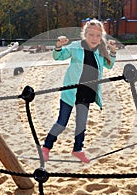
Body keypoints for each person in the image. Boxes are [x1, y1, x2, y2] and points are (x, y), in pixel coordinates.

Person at [41, 19, 116, 163]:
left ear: (101, 37)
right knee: (61, 123)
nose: (94, 39)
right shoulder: (76, 47)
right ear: (85, 34)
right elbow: (58, 56)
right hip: (70, 93)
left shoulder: (100, 50)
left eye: (98, 36)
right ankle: (46, 147)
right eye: (91, 35)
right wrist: (58, 46)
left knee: (81, 124)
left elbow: (109, 65)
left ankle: (78, 149)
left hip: (86, 93)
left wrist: (112, 51)